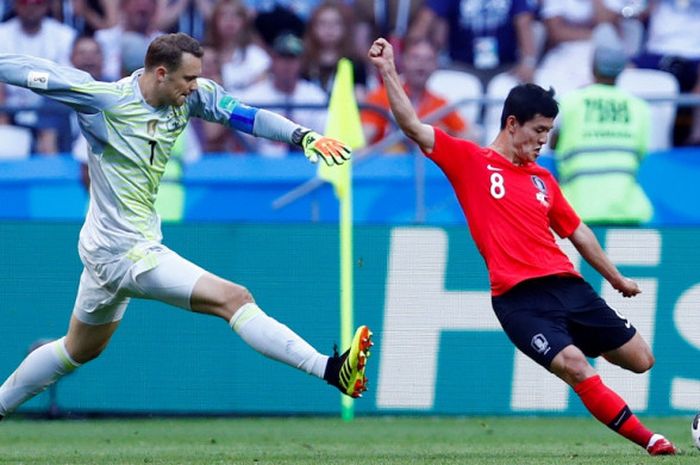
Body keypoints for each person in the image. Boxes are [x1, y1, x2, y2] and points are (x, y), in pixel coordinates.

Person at [0, 32, 372, 420]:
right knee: (235, 299)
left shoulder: (191, 96)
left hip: (105, 249)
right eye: (188, 79)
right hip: (125, 252)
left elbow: (246, 115)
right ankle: (332, 371)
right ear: (161, 73)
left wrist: (303, 135)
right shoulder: (107, 102)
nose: (195, 87)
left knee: (78, 349)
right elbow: (36, 71)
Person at [367, 36, 676, 456]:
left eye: (549, 132)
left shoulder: (543, 179)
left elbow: (578, 232)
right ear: (512, 124)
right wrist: (388, 70)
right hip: (519, 300)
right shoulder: (470, 161)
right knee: (575, 367)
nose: (544, 140)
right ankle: (652, 441)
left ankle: (579, 339)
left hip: (568, 287)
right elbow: (412, 125)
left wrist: (616, 278)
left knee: (642, 359)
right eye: (538, 131)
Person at [551, 42, 652, 225]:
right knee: (626, 255)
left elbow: (553, 145)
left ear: (593, 67)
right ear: (622, 69)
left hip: (575, 209)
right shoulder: (639, 107)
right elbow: (640, 154)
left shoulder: (571, 102)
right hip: (626, 210)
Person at [361, 37, 471, 152]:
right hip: (386, 165)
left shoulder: (440, 104)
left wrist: (447, 137)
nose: (421, 65)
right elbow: (364, 140)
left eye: (428, 59)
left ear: (436, 65)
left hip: (427, 167)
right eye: (415, 58)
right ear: (403, 60)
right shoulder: (381, 96)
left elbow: (470, 138)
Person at [408, 0, 538, 87]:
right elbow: (424, 22)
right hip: (460, 66)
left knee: (510, 89)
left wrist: (528, 62)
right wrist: (413, 58)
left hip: (505, 67)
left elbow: (524, 23)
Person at [239, 32, 327, 157]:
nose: (287, 65)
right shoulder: (253, 97)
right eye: (282, 58)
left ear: (301, 62)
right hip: (261, 165)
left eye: (292, 59)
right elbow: (241, 140)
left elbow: (324, 136)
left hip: (306, 163)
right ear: (272, 61)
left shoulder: (315, 96)